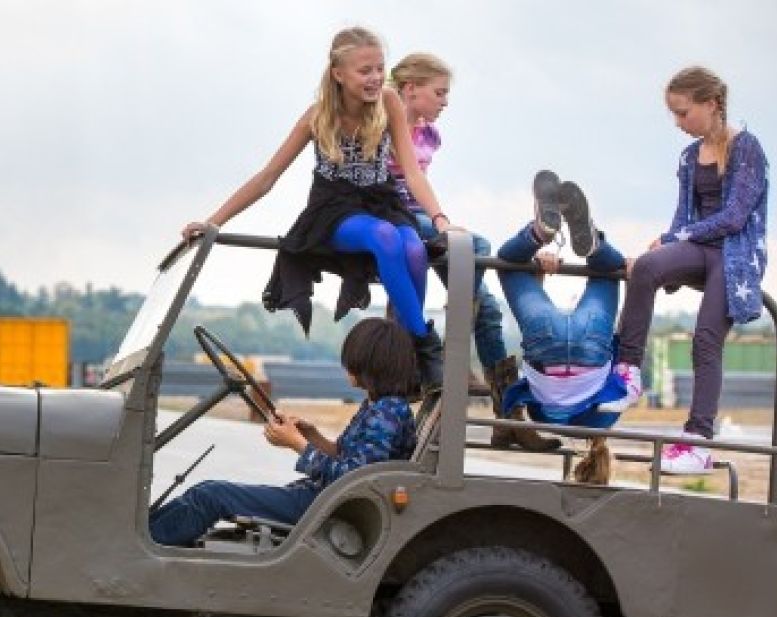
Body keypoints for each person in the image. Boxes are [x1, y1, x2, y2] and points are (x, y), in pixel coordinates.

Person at [182, 26, 460, 391]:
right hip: (336, 210)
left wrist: (441, 219)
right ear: (338, 74)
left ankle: (405, 353)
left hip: (382, 201)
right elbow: (267, 177)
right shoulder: (317, 117)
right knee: (386, 239)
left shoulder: (390, 102)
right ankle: (427, 348)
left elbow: (411, 173)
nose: (376, 78)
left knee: (413, 247)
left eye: (380, 68)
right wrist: (213, 221)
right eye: (365, 71)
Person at [387, 53, 554, 451]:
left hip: (422, 215)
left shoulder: (429, 134)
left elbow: (420, 184)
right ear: (411, 90)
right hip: (391, 215)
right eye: (440, 92)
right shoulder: (383, 122)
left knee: (489, 307)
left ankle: (509, 417)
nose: (446, 102)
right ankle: (453, 357)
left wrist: (439, 220)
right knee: (476, 247)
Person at [609, 66, 769, 475]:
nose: (679, 123)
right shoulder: (688, 156)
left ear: (711, 104)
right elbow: (683, 215)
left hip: (735, 257)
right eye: (674, 115)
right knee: (645, 268)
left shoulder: (747, 149)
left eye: (683, 113)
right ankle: (627, 373)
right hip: (698, 248)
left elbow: (734, 218)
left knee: (705, 340)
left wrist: (678, 234)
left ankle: (698, 441)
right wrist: (667, 240)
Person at [150, 318, 418, 546]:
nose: (346, 368)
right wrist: (311, 435)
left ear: (369, 364)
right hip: (322, 498)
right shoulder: (377, 405)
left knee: (211, 496)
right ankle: (149, 533)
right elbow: (345, 457)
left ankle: (147, 544)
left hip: (323, 504)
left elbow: (351, 480)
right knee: (206, 489)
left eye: (351, 362)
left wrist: (298, 445)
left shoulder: (387, 413)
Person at [491, 174, 633, 482]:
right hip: (546, 345)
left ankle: (593, 244)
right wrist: (536, 269)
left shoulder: (607, 416)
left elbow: (623, 350)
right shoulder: (543, 418)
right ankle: (538, 235)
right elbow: (531, 382)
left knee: (608, 270)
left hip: (593, 345)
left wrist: (631, 277)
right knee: (508, 263)